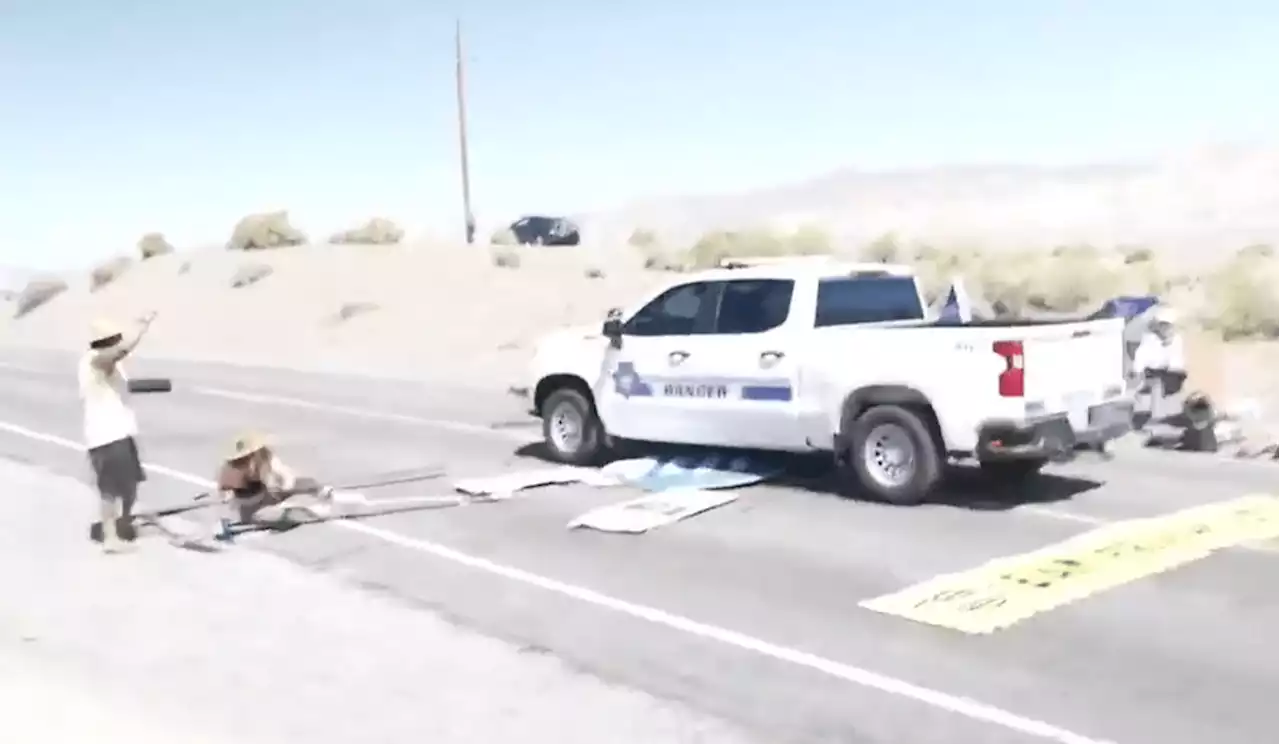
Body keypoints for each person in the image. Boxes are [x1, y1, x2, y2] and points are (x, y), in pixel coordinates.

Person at [79, 313, 156, 554]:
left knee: (131, 484)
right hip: (106, 436)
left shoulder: (108, 362)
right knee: (110, 489)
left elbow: (117, 385)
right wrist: (140, 332)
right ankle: (110, 537)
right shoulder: (96, 359)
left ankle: (123, 523)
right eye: (115, 339)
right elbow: (116, 354)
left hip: (121, 433)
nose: (118, 343)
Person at [214, 432, 335, 540]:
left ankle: (319, 492)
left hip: (270, 491)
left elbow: (284, 473)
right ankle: (297, 511)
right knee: (264, 518)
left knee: (302, 483)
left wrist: (286, 485)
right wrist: (228, 499)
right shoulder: (231, 469)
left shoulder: (265, 457)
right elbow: (224, 490)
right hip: (250, 503)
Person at [1131, 307, 1187, 429]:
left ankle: (1164, 416)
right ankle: (1151, 417)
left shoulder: (1176, 340)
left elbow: (1176, 362)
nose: (1165, 329)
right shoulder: (1149, 339)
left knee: (1165, 384)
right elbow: (1141, 357)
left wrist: (1168, 346)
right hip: (1152, 372)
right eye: (1163, 325)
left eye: (1168, 326)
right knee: (1153, 385)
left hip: (1172, 373)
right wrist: (1137, 371)